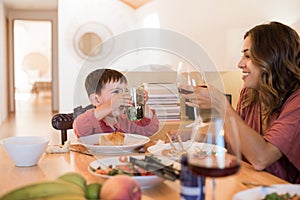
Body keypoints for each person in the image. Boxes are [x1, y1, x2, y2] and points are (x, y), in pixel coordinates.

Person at [185, 21, 300, 183]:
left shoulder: (297, 103)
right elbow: (235, 146)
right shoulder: (250, 94)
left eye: (248, 56)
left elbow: (261, 158)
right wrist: (191, 136)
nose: (240, 64)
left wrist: (222, 105)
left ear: (273, 58)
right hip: (252, 184)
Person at [73, 68, 159, 137]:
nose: (122, 96)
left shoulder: (126, 120)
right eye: (116, 92)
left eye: (124, 91)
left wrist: (143, 105)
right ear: (96, 100)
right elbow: (79, 127)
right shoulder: (90, 124)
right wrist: (111, 105)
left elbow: (149, 129)